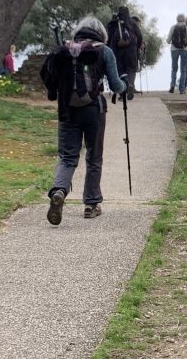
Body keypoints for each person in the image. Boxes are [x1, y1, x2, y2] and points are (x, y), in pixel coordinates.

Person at [40, 16, 126, 225]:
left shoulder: (66, 49)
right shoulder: (105, 51)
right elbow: (116, 85)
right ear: (101, 33)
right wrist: (124, 86)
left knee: (68, 157)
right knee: (94, 157)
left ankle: (59, 191)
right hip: (94, 110)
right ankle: (91, 205)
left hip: (67, 109)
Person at [108, 6, 142, 99]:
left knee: (120, 71)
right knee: (131, 70)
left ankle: (122, 93)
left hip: (117, 50)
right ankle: (130, 84)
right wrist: (138, 47)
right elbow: (139, 36)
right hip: (131, 50)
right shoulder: (132, 22)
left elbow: (109, 37)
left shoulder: (113, 22)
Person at [167, 13, 187, 94]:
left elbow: (168, 41)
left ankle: (172, 86)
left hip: (174, 50)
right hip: (185, 50)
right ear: (184, 19)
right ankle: (182, 89)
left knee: (174, 69)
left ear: (177, 19)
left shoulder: (173, 27)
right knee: (183, 70)